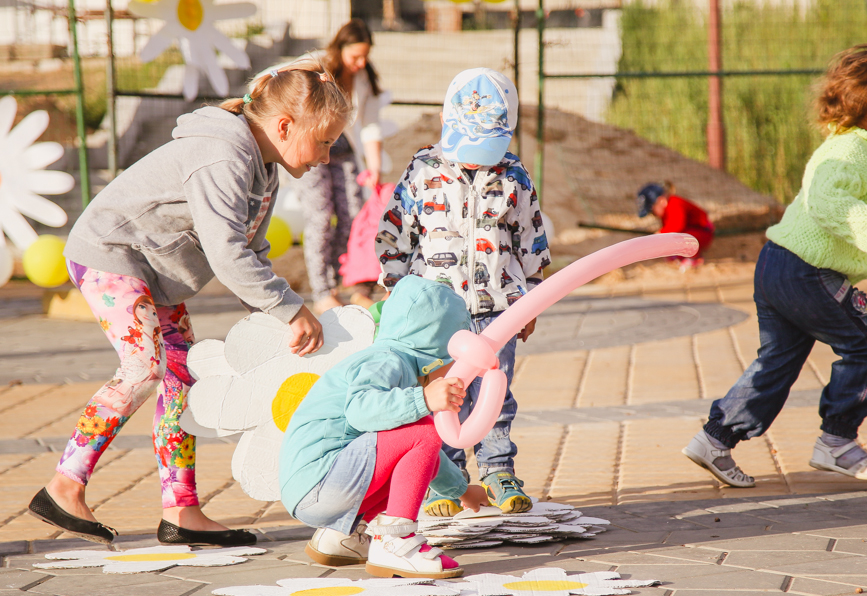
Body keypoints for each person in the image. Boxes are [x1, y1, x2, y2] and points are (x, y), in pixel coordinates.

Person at [28, 58, 351, 545]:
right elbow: (227, 252)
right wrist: (290, 309)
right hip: (110, 256)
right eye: (324, 141)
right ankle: (63, 486)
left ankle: (181, 510)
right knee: (144, 367)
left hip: (153, 272)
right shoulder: (223, 155)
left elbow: (254, 249)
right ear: (285, 125)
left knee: (183, 377)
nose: (326, 156)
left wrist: (275, 322)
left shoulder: (265, 166)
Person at [682, 44, 867, 488]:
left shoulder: (861, 149)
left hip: (779, 265)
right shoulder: (851, 153)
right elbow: (827, 201)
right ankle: (837, 441)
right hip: (808, 272)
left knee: (776, 362)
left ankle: (715, 438)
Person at [376, 68, 551, 516]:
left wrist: (531, 300)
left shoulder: (515, 176)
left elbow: (531, 241)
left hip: (498, 310)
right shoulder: (423, 171)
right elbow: (395, 235)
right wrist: (397, 293)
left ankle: (497, 471)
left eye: (485, 150)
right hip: (437, 316)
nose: (476, 160)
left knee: (496, 391)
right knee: (445, 394)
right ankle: (445, 481)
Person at [279, 276, 489, 576]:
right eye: (452, 360)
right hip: (320, 482)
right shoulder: (385, 361)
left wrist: (461, 490)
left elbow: (417, 455)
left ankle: (341, 537)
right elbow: (361, 413)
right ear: (434, 349)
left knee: (416, 439)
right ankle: (397, 542)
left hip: (314, 488)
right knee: (424, 432)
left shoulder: (396, 363)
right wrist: (424, 398)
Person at [293, 19, 387, 313]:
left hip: (346, 157)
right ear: (340, 48)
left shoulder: (363, 80)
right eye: (355, 56)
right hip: (313, 151)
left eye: (365, 56)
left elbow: (370, 125)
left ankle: (342, 282)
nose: (360, 62)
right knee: (320, 217)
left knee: (352, 217)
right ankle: (321, 291)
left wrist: (373, 167)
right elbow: (280, 78)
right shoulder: (319, 67)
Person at [637, 181, 714, 270]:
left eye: (652, 211)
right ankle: (679, 257)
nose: (653, 215)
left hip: (703, 231)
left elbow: (678, 226)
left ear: (662, 201)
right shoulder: (666, 211)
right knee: (671, 239)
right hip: (693, 230)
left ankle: (694, 259)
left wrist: (660, 234)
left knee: (680, 237)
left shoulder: (674, 203)